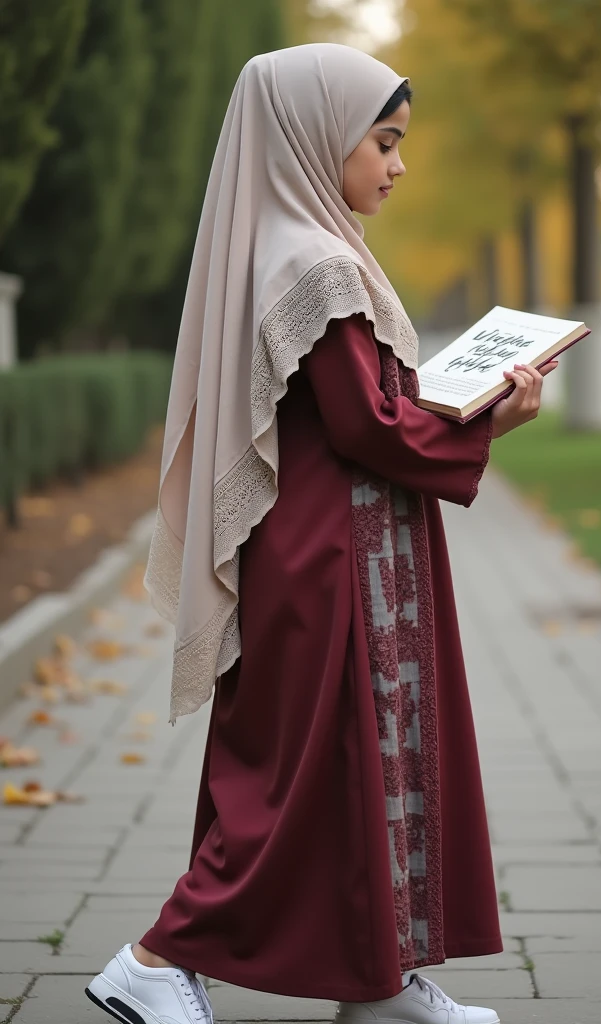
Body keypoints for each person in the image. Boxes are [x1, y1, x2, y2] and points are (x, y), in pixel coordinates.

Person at [85, 42, 557, 1024]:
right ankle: (152, 960)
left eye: (399, 144)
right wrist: (486, 421)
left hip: (341, 550)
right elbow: (363, 425)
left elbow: (361, 402)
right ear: (314, 135)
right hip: (325, 559)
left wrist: (455, 400)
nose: (395, 164)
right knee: (296, 778)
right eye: (381, 141)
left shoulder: (299, 245)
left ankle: (376, 981)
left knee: (360, 764)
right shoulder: (312, 261)